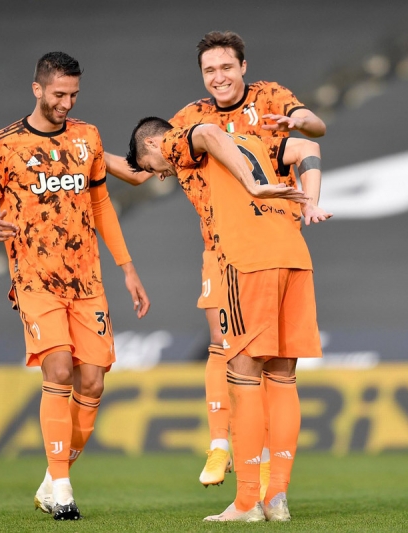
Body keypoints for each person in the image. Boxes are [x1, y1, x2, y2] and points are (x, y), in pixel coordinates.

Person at [106, 30, 327, 490]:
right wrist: (83, 150)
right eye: (210, 70)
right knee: (230, 349)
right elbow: (145, 164)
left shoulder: (269, 99)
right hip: (222, 247)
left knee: (262, 366)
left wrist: (300, 127)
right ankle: (222, 445)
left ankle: (256, 480)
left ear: (243, 67)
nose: (219, 77)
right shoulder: (189, 119)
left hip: (263, 242)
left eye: (227, 67)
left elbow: (312, 132)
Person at [0, 51, 150, 521]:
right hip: (34, 279)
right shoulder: (2, 145)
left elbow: (102, 205)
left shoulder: (88, 137)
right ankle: (64, 491)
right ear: (37, 89)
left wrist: (127, 268)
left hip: (87, 281)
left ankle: (53, 479)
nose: (66, 103)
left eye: (73, 95)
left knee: (93, 380)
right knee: (61, 370)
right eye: (59, 94)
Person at [126, 117, 331, 522]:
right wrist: (310, 201)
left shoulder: (176, 142)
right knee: (283, 376)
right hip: (293, 253)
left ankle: (247, 502)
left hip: (249, 258)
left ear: (151, 144)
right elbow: (309, 147)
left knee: (240, 371)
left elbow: (205, 131)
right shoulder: (253, 139)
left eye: (151, 167)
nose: (161, 174)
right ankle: (276, 496)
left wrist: (251, 185)